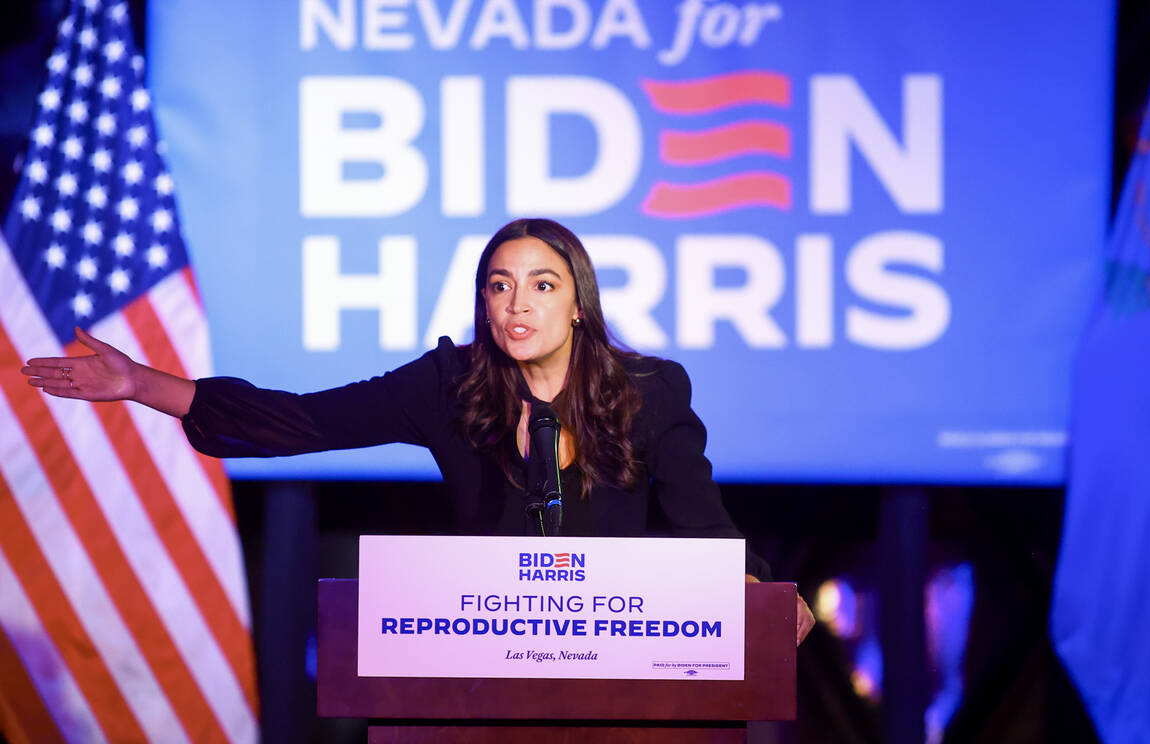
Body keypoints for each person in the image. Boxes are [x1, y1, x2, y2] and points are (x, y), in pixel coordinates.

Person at [23, 218, 815, 644]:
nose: (518, 305)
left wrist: (753, 588)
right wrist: (141, 384)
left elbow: (704, 525)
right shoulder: (451, 386)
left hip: (621, 658)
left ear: (579, 303)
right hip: (482, 661)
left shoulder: (647, 392)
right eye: (499, 287)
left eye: (542, 285)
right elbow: (302, 419)